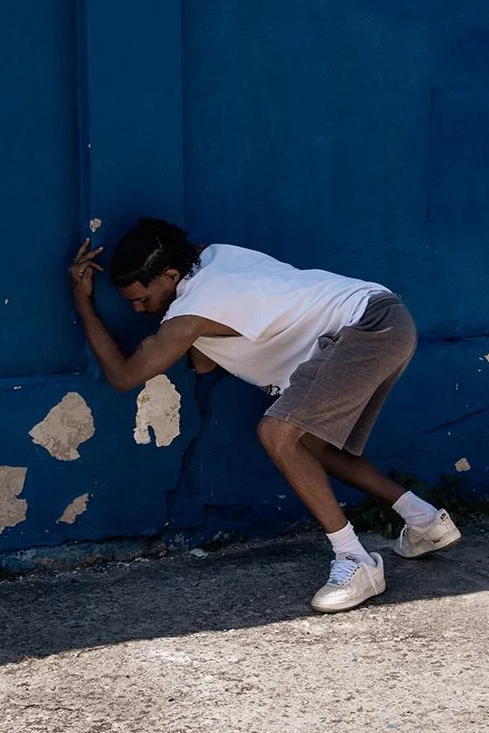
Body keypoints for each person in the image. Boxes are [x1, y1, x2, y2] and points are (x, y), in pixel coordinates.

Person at [68, 217, 459, 612]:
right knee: (310, 444)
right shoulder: (209, 256)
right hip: (384, 315)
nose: (138, 310)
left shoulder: (186, 318)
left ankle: (355, 560)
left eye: (143, 299)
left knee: (276, 433)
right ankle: (424, 520)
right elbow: (203, 362)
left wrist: (83, 302)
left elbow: (123, 375)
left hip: (364, 329)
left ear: (170, 275)